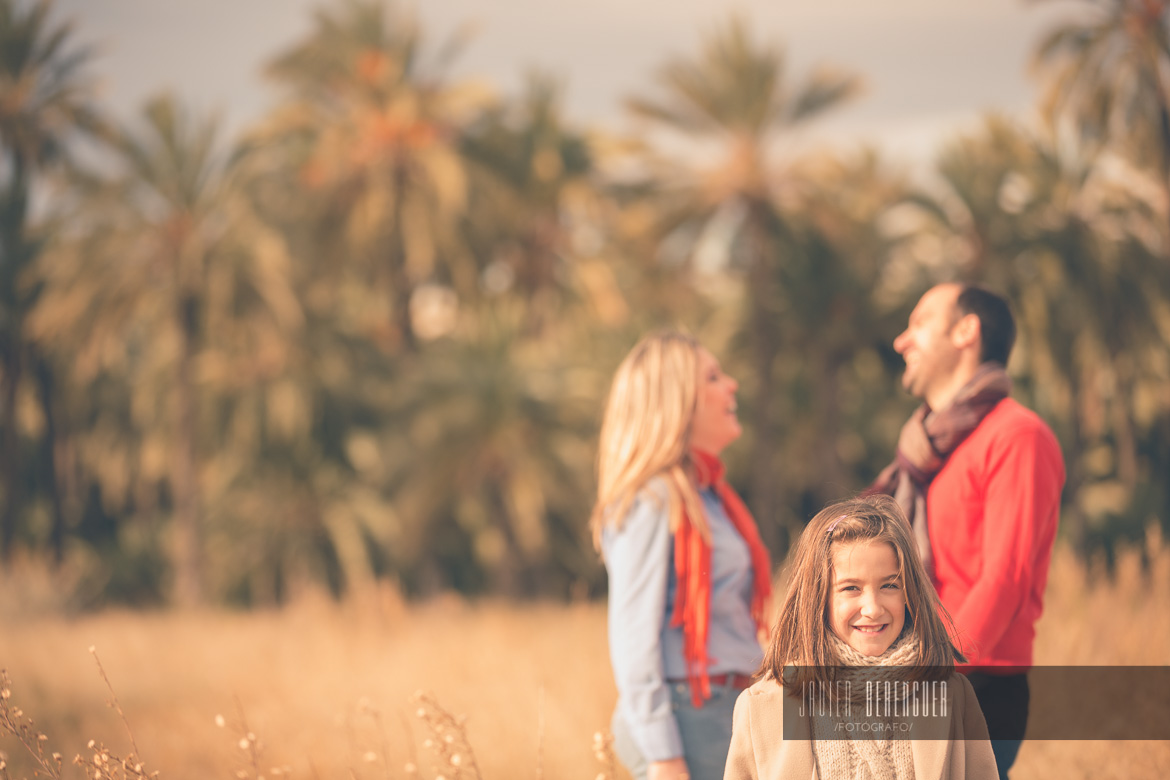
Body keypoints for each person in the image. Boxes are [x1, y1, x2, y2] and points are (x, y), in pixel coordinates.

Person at [866, 283, 1065, 779]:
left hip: (970, 688)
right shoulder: (924, 450)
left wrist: (927, 678)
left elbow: (1004, 579)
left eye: (919, 323)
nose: (900, 341)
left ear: (965, 332)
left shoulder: (1016, 436)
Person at [591, 331, 773, 780]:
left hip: (724, 707)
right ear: (674, 401)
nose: (730, 385)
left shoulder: (711, 496)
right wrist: (663, 756)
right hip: (688, 716)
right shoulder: (654, 498)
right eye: (712, 377)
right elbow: (633, 633)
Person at [725, 495, 998, 780]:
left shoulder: (953, 695)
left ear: (909, 593)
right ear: (817, 598)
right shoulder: (761, 707)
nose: (872, 608)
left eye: (890, 585)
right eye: (851, 588)